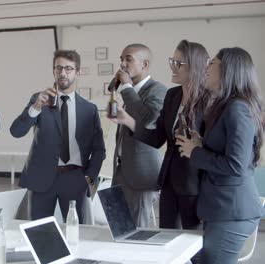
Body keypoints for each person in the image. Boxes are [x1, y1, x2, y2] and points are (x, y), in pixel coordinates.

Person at [176, 47, 264, 264]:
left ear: (228, 70)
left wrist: (194, 152)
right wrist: (200, 143)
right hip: (220, 209)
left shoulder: (238, 108)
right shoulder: (226, 106)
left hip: (232, 211)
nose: (205, 68)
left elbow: (235, 165)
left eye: (212, 63)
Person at [110, 40, 209, 231]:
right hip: (168, 181)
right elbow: (157, 138)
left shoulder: (207, 100)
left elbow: (147, 118)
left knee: (192, 246)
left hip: (193, 184)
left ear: (194, 67)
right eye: (173, 61)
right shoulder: (173, 95)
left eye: (178, 63)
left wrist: (128, 89)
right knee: (167, 238)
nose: (172, 66)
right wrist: (127, 121)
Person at [10, 50, 105, 222]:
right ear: (53, 70)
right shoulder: (39, 100)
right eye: (58, 68)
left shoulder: (89, 109)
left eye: (68, 69)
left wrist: (89, 178)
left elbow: (99, 149)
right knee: (39, 231)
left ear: (78, 72)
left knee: (78, 231)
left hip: (76, 179)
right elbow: (16, 131)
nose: (63, 73)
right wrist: (37, 106)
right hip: (41, 178)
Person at [109, 44, 167, 227]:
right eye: (121, 59)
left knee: (136, 233)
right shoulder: (130, 93)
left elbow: (147, 120)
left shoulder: (157, 90)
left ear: (145, 64)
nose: (123, 64)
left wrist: (126, 86)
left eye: (128, 59)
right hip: (121, 171)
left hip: (141, 175)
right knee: (117, 228)